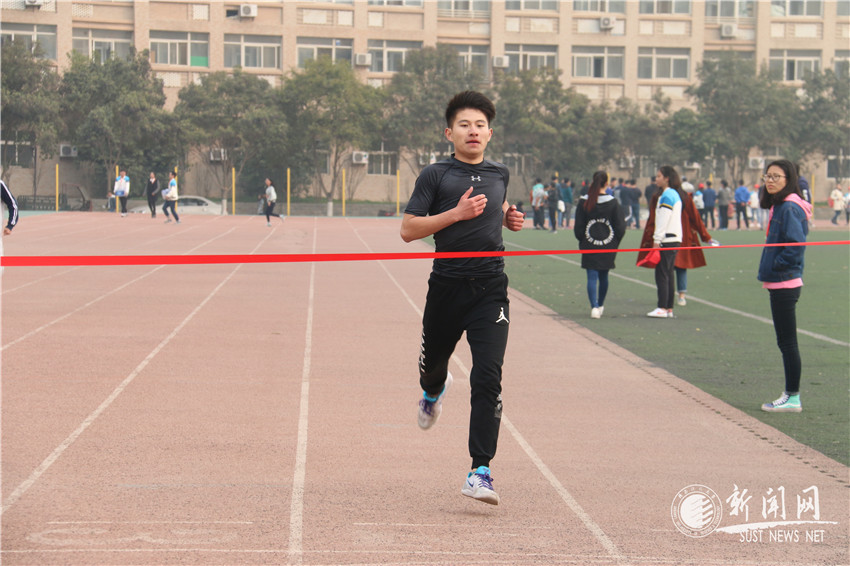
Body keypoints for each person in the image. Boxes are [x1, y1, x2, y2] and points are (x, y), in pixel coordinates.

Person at [400, 91, 524, 506]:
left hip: (491, 290)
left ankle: (480, 470)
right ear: (449, 132)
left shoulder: (500, 172)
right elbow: (408, 230)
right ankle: (433, 391)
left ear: (490, 133)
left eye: (480, 125)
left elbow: (496, 205)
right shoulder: (435, 175)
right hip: (446, 289)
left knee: (488, 376)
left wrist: (509, 217)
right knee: (431, 369)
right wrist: (456, 214)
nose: (473, 131)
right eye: (464, 124)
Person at [758, 160, 812, 413]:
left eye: (776, 176)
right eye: (767, 176)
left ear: (788, 179)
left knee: (788, 342)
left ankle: (792, 397)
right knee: (785, 341)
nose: (770, 181)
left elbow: (795, 245)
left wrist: (778, 266)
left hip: (785, 281)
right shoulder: (780, 205)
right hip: (779, 280)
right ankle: (792, 395)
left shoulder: (789, 206)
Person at [573, 171, 626, 319]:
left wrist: (583, 241)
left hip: (589, 244)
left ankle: (594, 306)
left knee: (591, 276)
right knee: (604, 275)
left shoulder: (584, 202)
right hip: (608, 244)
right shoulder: (613, 203)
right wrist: (615, 242)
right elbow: (620, 226)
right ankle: (600, 305)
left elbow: (578, 227)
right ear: (607, 184)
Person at [638, 166, 684, 318]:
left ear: (666, 178)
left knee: (662, 274)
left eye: (659, 176)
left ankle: (662, 307)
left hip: (667, 239)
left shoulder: (667, 195)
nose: (656, 179)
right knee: (668, 273)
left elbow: (663, 220)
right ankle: (668, 308)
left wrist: (656, 241)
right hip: (674, 239)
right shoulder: (674, 194)